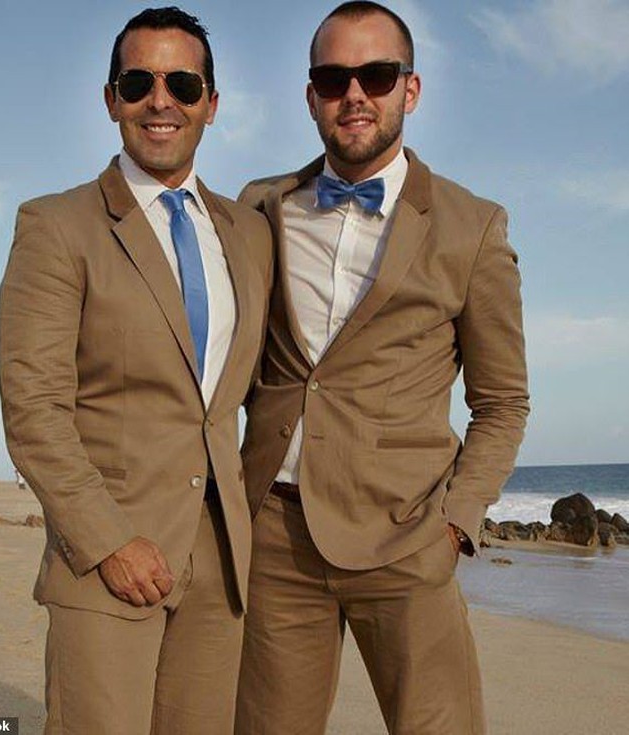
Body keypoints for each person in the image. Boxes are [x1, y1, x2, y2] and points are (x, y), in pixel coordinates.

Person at [234, 3, 529, 734]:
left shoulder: (472, 226)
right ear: (311, 96)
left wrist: (456, 523)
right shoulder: (259, 206)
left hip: (408, 537)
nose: (355, 94)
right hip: (275, 534)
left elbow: (502, 401)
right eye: (335, 78)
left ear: (411, 88)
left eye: (377, 74)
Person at [0, 7, 272, 734]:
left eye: (182, 84)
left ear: (211, 103)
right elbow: (33, 410)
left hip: (221, 569)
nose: (160, 100)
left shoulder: (250, 233)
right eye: (137, 82)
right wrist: (108, 540)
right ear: (111, 98)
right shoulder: (57, 226)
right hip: (106, 562)